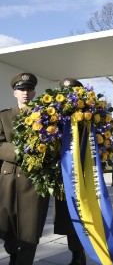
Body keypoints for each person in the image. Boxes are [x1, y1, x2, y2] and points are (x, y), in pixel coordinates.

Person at [0, 72, 50, 264]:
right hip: (9, 178)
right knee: (7, 225)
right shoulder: (4, 116)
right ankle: (13, 254)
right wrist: (20, 151)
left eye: (29, 89)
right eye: (21, 89)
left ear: (34, 92)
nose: (25, 93)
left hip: (35, 180)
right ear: (14, 93)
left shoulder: (46, 117)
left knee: (31, 227)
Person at [56, 78, 86, 265]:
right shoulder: (55, 115)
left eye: (73, 92)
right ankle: (75, 252)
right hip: (61, 174)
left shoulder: (88, 114)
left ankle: (79, 254)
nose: (69, 96)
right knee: (67, 217)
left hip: (82, 174)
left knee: (82, 214)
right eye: (66, 93)